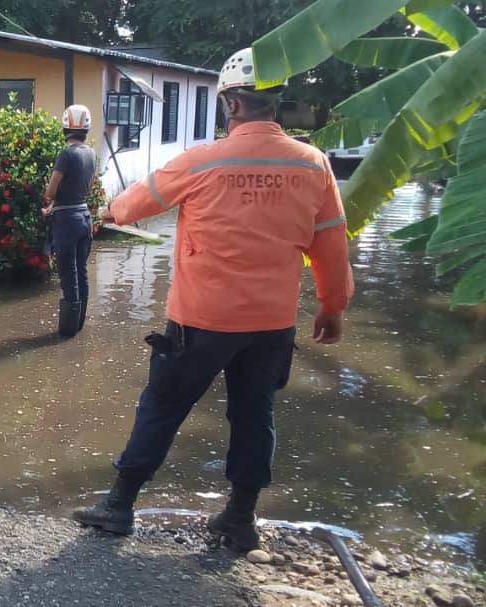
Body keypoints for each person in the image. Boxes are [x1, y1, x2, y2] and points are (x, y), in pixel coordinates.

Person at [73, 48, 355, 551]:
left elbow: (135, 203)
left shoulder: (202, 160)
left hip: (201, 321)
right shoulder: (314, 165)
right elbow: (331, 245)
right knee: (255, 416)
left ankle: (118, 506)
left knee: (161, 406)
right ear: (275, 102)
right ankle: (239, 519)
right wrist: (333, 306)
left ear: (230, 105)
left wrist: (109, 213)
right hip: (272, 326)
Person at [42, 105, 98, 337]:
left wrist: (49, 202)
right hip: (84, 216)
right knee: (81, 270)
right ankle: (79, 326)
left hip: (67, 221)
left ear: (65, 127)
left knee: (68, 274)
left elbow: (51, 190)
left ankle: (67, 333)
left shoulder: (66, 154)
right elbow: (87, 186)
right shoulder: (91, 153)